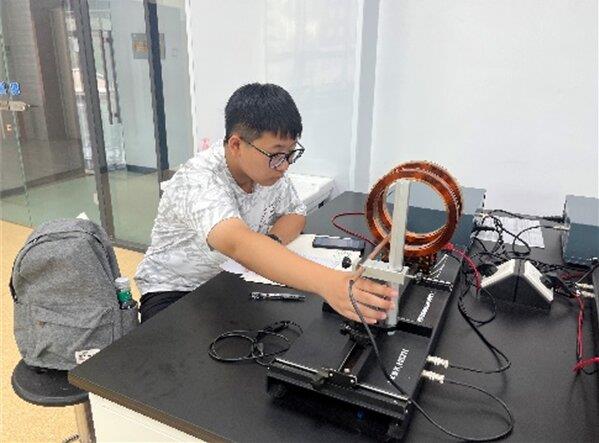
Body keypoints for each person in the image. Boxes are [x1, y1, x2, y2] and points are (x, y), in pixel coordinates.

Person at [135, 83, 397, 323]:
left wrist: (270, 243)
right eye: (277, 154)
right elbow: (236, 242)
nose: (284, 166)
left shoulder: (267, 171)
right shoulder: (198, 179)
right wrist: (330, 283)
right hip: (176, 292)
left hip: (231, 281)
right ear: (236, 145)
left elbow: (295, 213)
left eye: (291, 153)